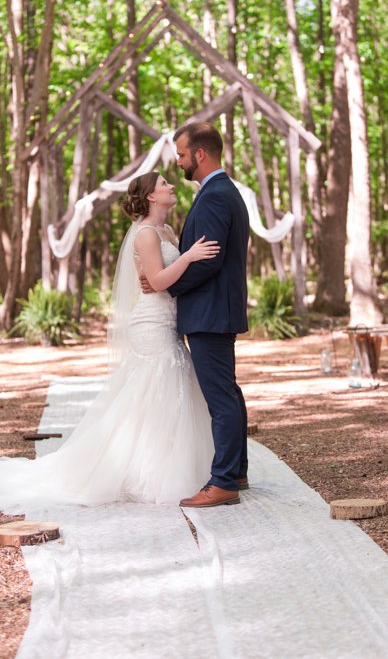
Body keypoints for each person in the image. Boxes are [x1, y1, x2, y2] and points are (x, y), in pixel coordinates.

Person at [0, 172, 218, 514]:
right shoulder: (147, 233)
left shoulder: (165, 231)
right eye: (164, 184)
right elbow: (159, 280)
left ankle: (159, 465)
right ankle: (143, 472)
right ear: (151, 196)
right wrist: (190, 256)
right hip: (151, 322)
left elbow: (158, 278)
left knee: (166, 391)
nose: (171, 187)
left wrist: (180, 261)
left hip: (167, 319)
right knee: (154, 388)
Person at [152, 122, 251, 509]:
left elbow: (208, 261)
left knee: (220, 397)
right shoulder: (225, 191)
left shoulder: (213, 197)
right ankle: (237, 469)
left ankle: (223, 481)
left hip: (209, 311)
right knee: (229, 391)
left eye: (180, 154)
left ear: (200, 154)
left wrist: (167, 286)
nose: (178, 162)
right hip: (218, 309)